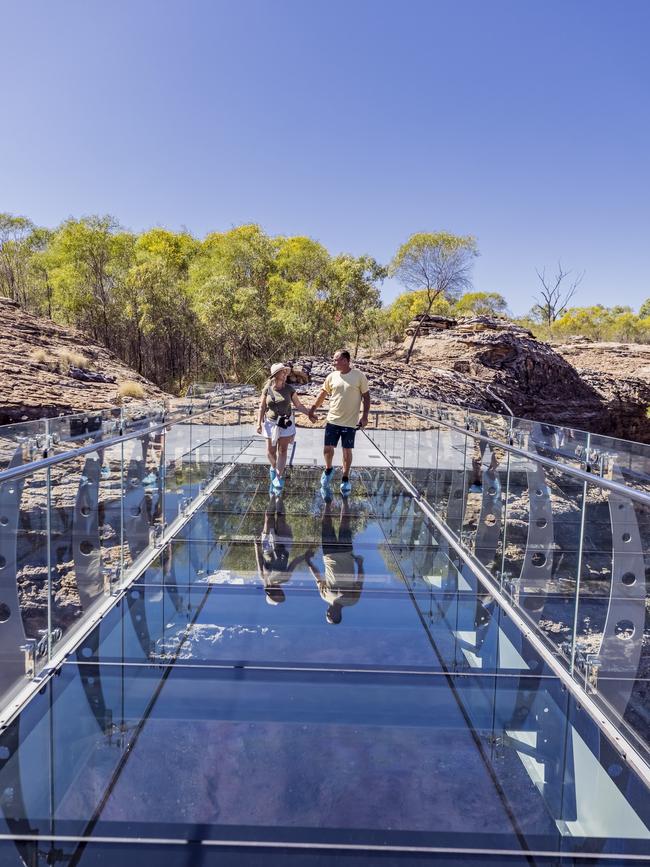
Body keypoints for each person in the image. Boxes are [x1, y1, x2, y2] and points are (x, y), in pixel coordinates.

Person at [308, 350, 370, 496]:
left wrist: (365, 416)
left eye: (336, 360)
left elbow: (366, 397)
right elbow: (323, 393)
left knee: (346, 451)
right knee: (327, 449)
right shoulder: (332, 376)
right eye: (334, 359)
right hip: (332, 420)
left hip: (349, 422)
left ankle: (345, 478)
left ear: (346, 360)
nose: (333, 362)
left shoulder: (359, 376)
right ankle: (329, 469)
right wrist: (312, 408)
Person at [305, 494, 365, 624]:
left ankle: (327, 502)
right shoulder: (352, 601)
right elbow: (360, 583)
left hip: (329, 555)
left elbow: (318, 579)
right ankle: (345, 498)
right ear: (337, 616)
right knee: (345, 523)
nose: (327, 613)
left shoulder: (324, 596)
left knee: (326, 524)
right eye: (329, 616)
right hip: (346, 554)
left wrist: (309, 563)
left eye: (327, 615)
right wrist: (360, 565)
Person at [256, 362, 311, 492]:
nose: (285, 373)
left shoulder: (290, 389)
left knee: (283, 451)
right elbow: (262, 407)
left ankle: (278, 476)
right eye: (283, 372)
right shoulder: (267, 389)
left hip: (285, 424)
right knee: (270, 451)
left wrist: (310, 414)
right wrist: (258, 423)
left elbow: (298, 405)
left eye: (286, 372)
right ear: (275, 375)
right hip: (270, 423)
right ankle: (274, 467)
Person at [254, 493, 305, 605]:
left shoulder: (263, 577)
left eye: (276, 596)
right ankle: (279, 495)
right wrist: (306, 556)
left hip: (267, 548)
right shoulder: (285, 579)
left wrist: (256, 546)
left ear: (270, 593)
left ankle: (273, 495)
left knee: (268, 519)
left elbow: (259, 560)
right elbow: (294, 563)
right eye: (281, 594)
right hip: (284, 548)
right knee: (281, 519)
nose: (279, 593)